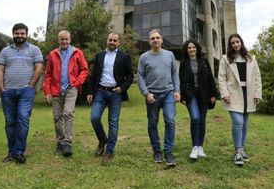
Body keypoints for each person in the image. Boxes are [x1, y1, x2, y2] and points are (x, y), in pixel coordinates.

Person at [0, 23, 44, 164]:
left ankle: (19, 151)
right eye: (17, 33)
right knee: (10, 122)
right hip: (8, 91)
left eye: (22, 33)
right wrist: (2, 89)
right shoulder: (5, 51)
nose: (20, 36)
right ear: (13, 34)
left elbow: (39, 68)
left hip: (25, 92)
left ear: (26, 34)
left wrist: (30, 86)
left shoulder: (34, 50)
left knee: (23, 119)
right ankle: (11, 152)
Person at [87, 32, 134, 163]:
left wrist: (122, 88)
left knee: (113, 123)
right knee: (94, 117)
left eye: (115, 40)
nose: (112, 42)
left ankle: (109, 151)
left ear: (118, 43)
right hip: (101, 91)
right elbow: (93, 75)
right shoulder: (99, 56)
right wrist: (90, 92)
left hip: (115, 93)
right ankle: (102, 139)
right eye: (110, 40)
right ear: (106, 41)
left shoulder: (124, 57)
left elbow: (130, 76)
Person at [138, 29, 180, 166]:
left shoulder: (170, 55)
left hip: (168, 92)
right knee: (152, 123)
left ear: (161, 40)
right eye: (152, 38)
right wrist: (146, 93)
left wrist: (177, 90)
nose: (155, 40)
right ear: (149, 41)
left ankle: (168, 152)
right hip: (152, 95)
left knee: (170, 120)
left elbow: (175, 74)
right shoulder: (144, 57)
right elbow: (140, 77)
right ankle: (157, 151)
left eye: (157, 38)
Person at [218, 33, 262, 165]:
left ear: (241, 42)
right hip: (233, 94)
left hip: (248, 93)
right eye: (232, 43)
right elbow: (221, 77)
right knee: (238, 121)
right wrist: (224, 93)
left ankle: (242, 149)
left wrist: (258, 94)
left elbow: (257, 76)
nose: (235, 44)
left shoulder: (251, 58)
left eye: (237, 42)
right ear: (230, 45)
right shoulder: (226, 59)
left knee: (245, 122)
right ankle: (238, 151)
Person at [43, 30, 88, 157]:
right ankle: (60, 142)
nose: (64, 41)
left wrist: (76, 83)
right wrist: (47, 92)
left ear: (70, 40)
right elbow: (48, 74)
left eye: (66, 39)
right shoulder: (52, 54)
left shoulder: (77, 53)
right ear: (58, 40)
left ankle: (68, 143)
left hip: (71, 88)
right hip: (55, 89)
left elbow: (84, 70)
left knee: (68, 113)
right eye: (62, 39)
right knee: (57, 116)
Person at [179, 40, 217, 160]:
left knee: (202, 120)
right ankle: (194, 147)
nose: (191, 50)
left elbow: (211, 78)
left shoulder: (204, 61)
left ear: (197, 49)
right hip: (191, 95)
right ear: (186, 50)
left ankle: (200, 147)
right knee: (195, 118)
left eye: (193, 47)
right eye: (189, 48)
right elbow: (181, 80)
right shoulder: (183, 63)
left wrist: (213, 94)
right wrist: (182, 97)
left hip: (204, 94)